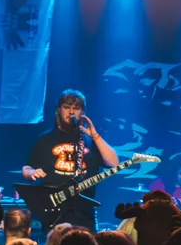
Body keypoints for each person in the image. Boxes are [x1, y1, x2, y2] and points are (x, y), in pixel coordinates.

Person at [20, 89, 119, 230]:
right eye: (66, 107)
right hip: (54, 212)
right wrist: (31, 173)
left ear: (82, 112)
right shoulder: (45, 139)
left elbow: (114, 163)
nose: (71, 112)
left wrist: (95, 135)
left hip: (84, 214)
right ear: (58, 110)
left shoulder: (90, 141)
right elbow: (26, 168)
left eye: (76, 108)